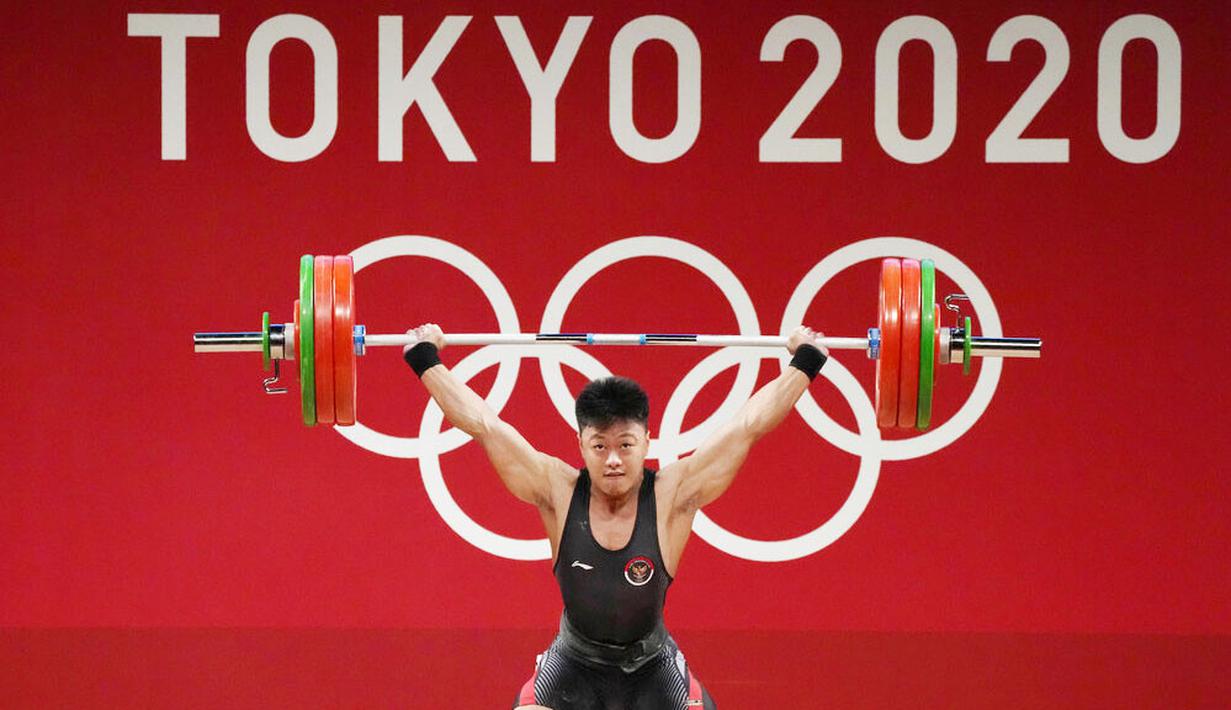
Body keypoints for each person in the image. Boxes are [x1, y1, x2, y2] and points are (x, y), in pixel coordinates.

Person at [402, 324, 830, 710]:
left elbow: (748, 425)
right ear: (580, 444)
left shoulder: (673, 493)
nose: (612, 460)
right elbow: (483, 424)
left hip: (652, 664)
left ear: (647, 440)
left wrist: (804, 362)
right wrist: (426, 359)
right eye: (599, 446)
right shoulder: (557, 489)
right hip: (574, 661)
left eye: (625, 445)